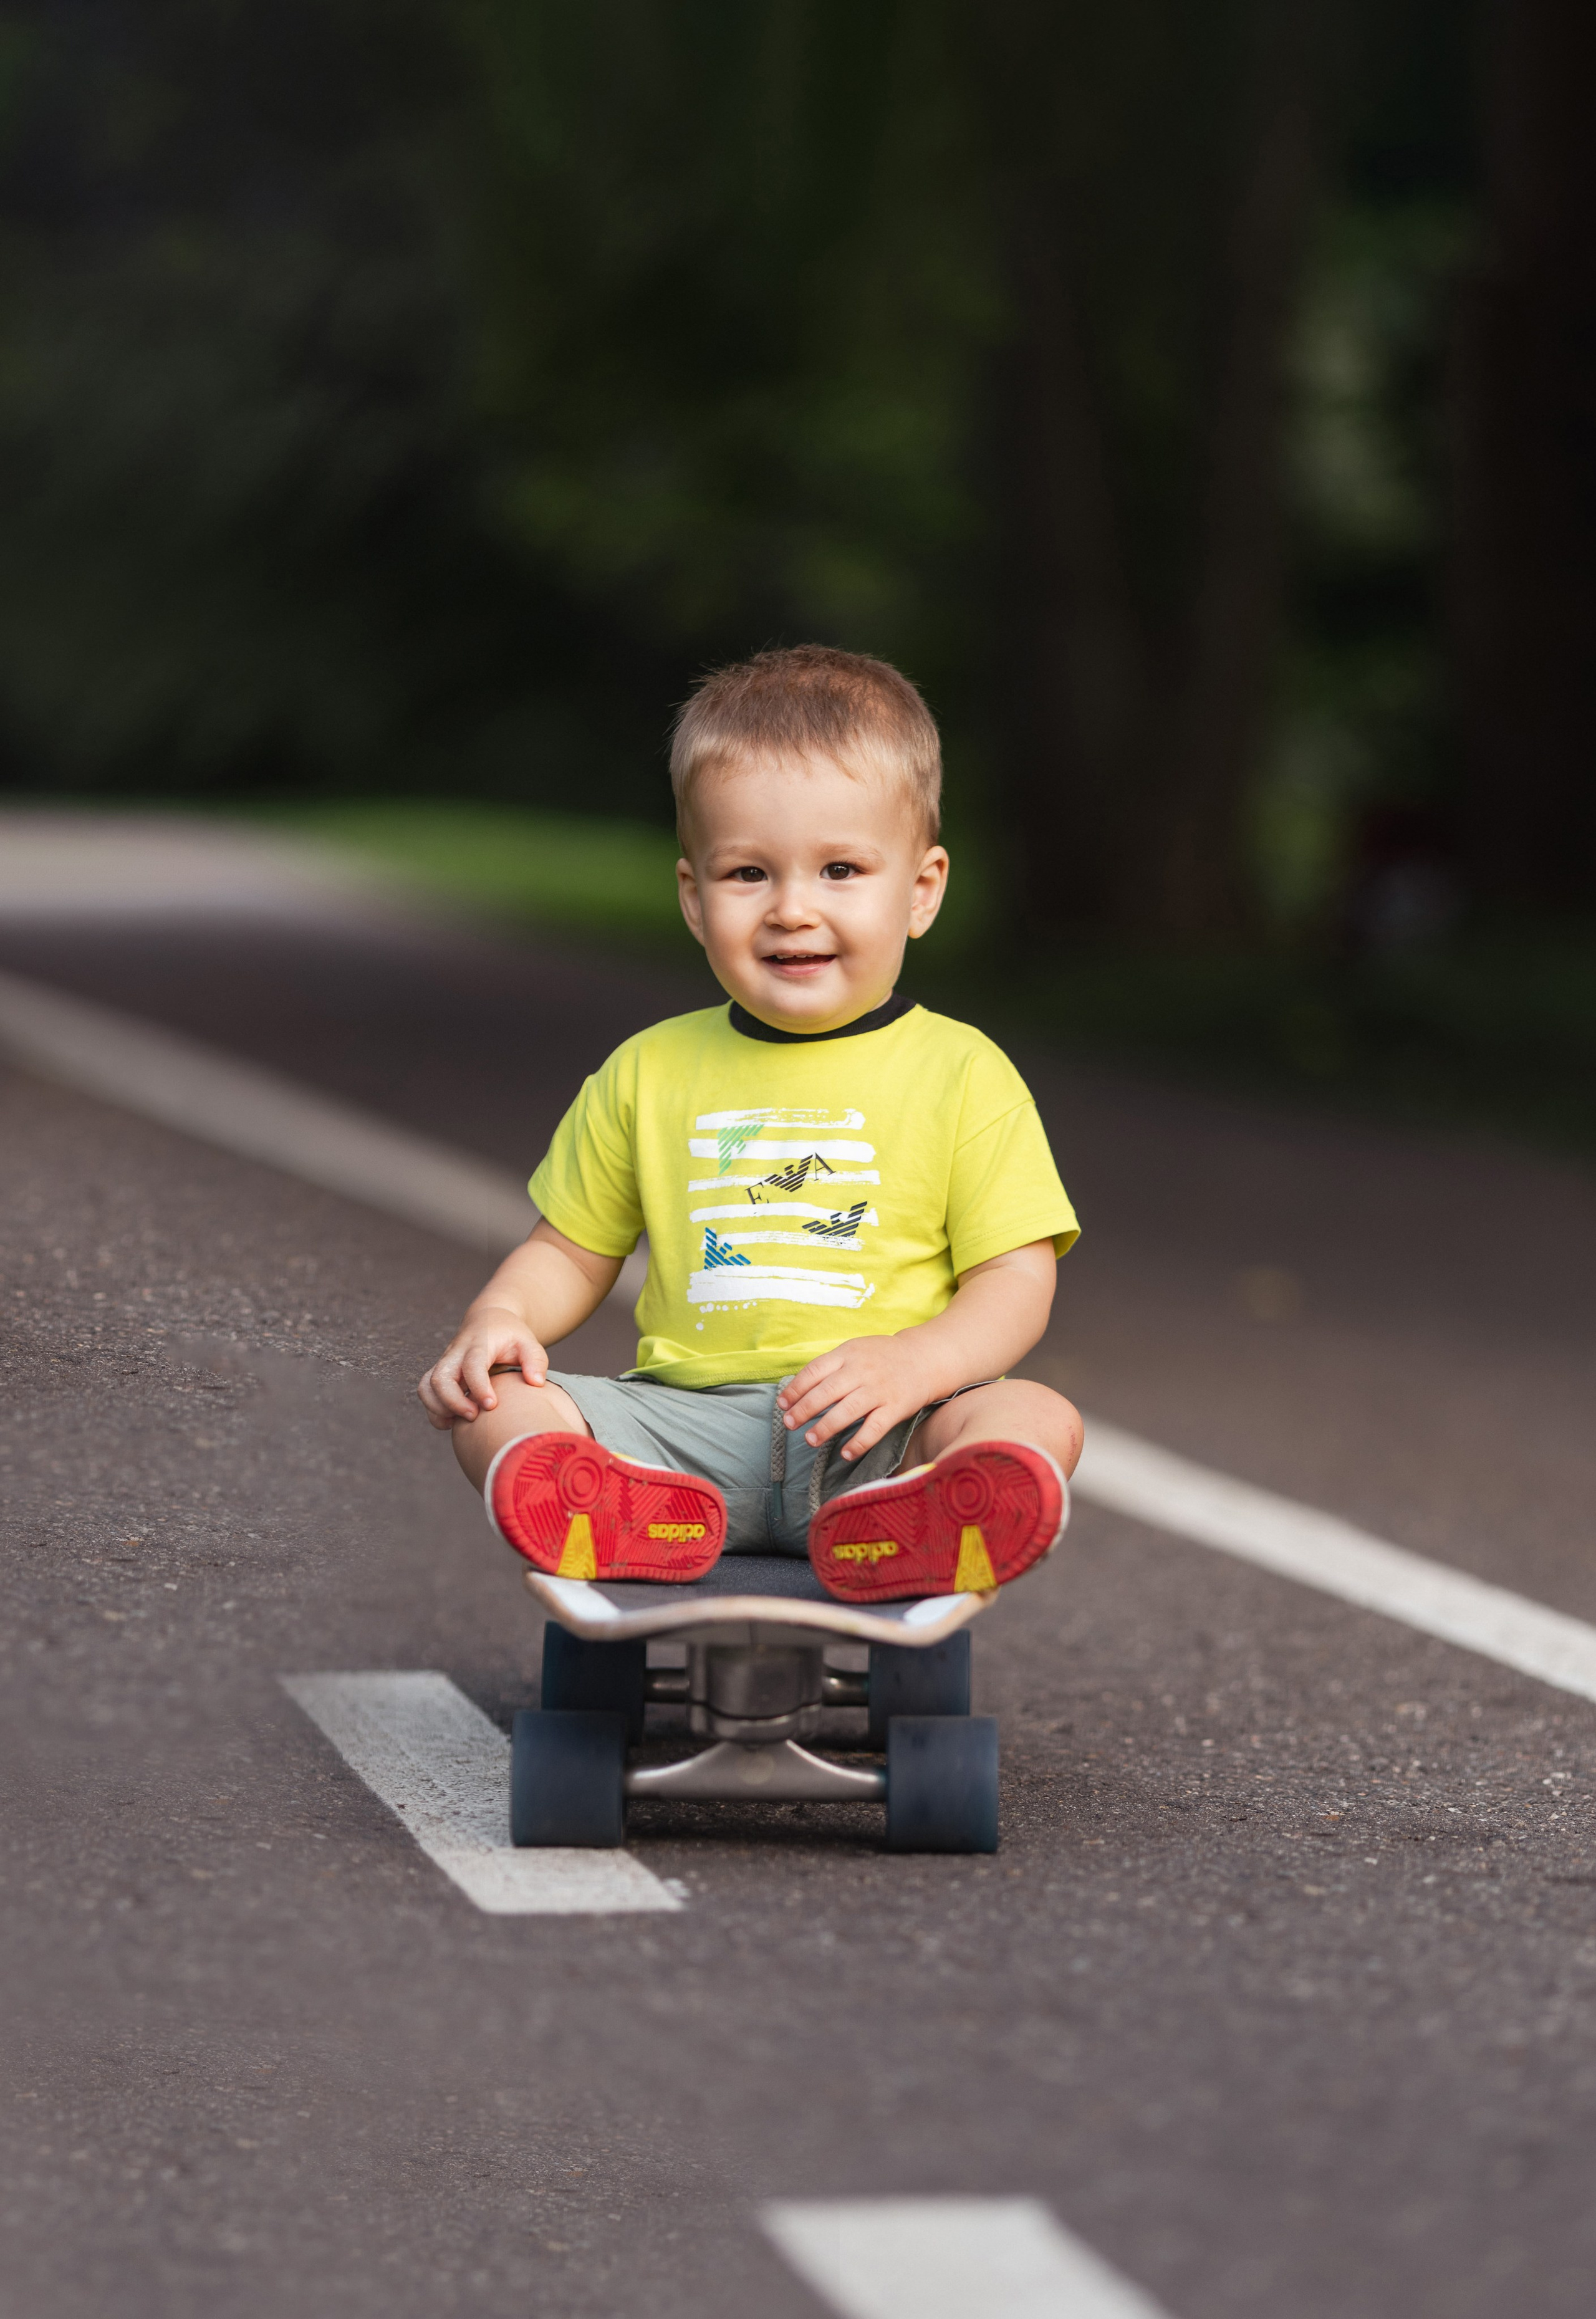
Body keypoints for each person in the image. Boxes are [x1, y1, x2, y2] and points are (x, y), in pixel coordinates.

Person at [418, 645, 1083, 1603]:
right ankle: (620, 1515)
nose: (792, 910)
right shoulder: (647, 1072)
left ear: (922, 890)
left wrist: (920, 1362)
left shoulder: (965, 1074)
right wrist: (501, 1320)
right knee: (495, 1410)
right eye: (748, 874)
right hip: (680, 1437)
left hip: (883, 1433)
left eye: (841, 869)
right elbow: (567, 1251)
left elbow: (1015, 1279)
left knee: (1037, 1416)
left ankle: (917, 1523)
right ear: (695, 898)